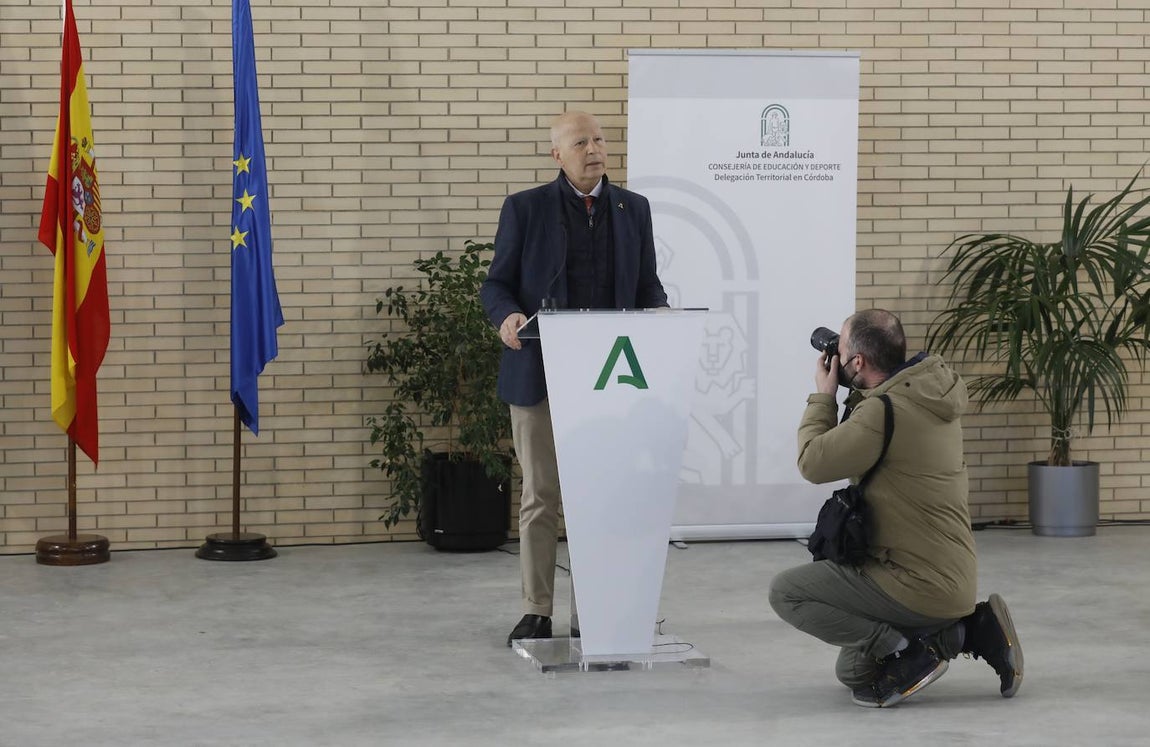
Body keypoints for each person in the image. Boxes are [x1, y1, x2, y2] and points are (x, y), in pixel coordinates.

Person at [768, 309, 1024, 708]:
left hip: (914, 581)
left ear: (858, 362)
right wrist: (855, 385)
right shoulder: (926, 393)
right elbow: (880, 417)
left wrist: (823, 395)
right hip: (951, 577)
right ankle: (970, 629)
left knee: (787, 592)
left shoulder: (880, 412)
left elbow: (813, 462)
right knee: (852, 672)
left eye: (845, 349)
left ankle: (911, 653)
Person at [480, 110, 669, 647]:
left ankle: (598, 606)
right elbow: (496, 285)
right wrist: (507, 318)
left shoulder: (634, 209)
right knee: (541, 494)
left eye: (600, 140)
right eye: (580, 141)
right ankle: (537, 609)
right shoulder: (526, 209)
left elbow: (648, 285)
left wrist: (660, 316)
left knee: (603, 497)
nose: (595, 149)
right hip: (538, 374)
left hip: (610, 379)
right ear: (556, 155)